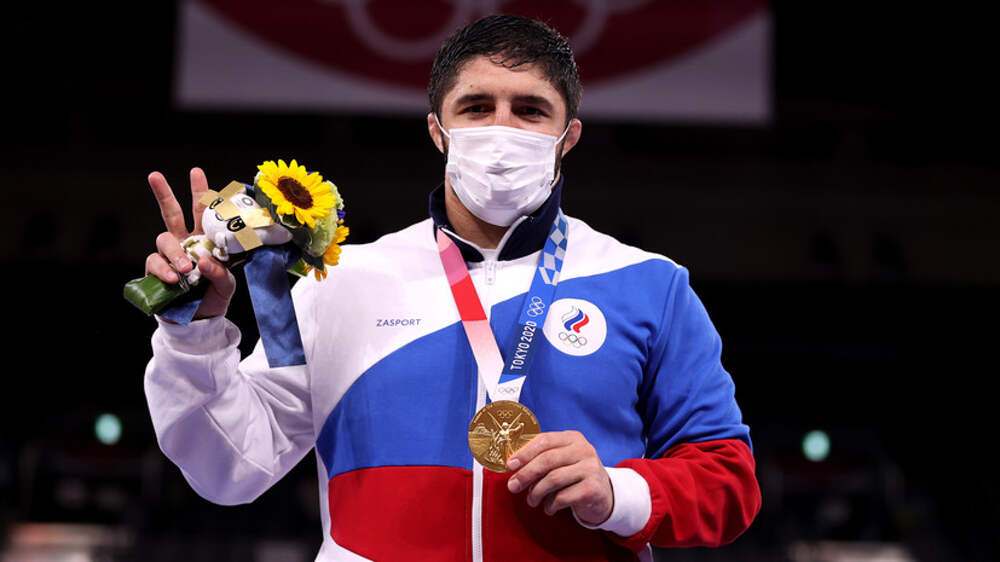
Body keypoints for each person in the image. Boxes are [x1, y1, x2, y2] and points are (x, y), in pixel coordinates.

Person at [143, 14, 761, 561]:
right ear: (438, 130)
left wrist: (618, 492)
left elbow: (729, 482)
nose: (502, 129)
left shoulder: (650, 286)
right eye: (476, 107)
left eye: (530, 110)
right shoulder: (339, 283)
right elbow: (233, 465)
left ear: (567, 136)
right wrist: (194, 335)